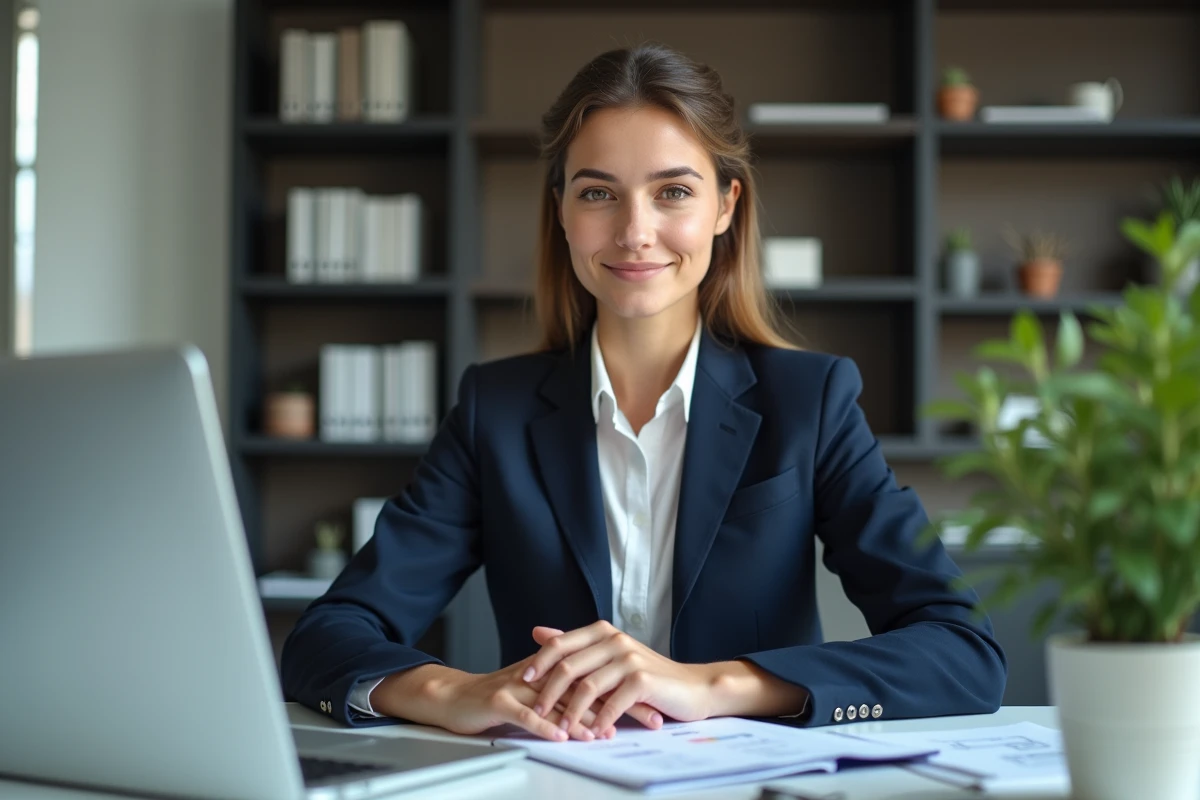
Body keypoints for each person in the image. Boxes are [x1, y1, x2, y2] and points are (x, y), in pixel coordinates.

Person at [280, 43, 1006, 744]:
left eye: (673, 193)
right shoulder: (492, 412)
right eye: (599, 193)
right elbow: (326, 638)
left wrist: (709, 686)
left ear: (725, 206)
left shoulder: (808, 401)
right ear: (561, 210)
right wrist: (451, 690)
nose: (634, 232)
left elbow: (961, 651)